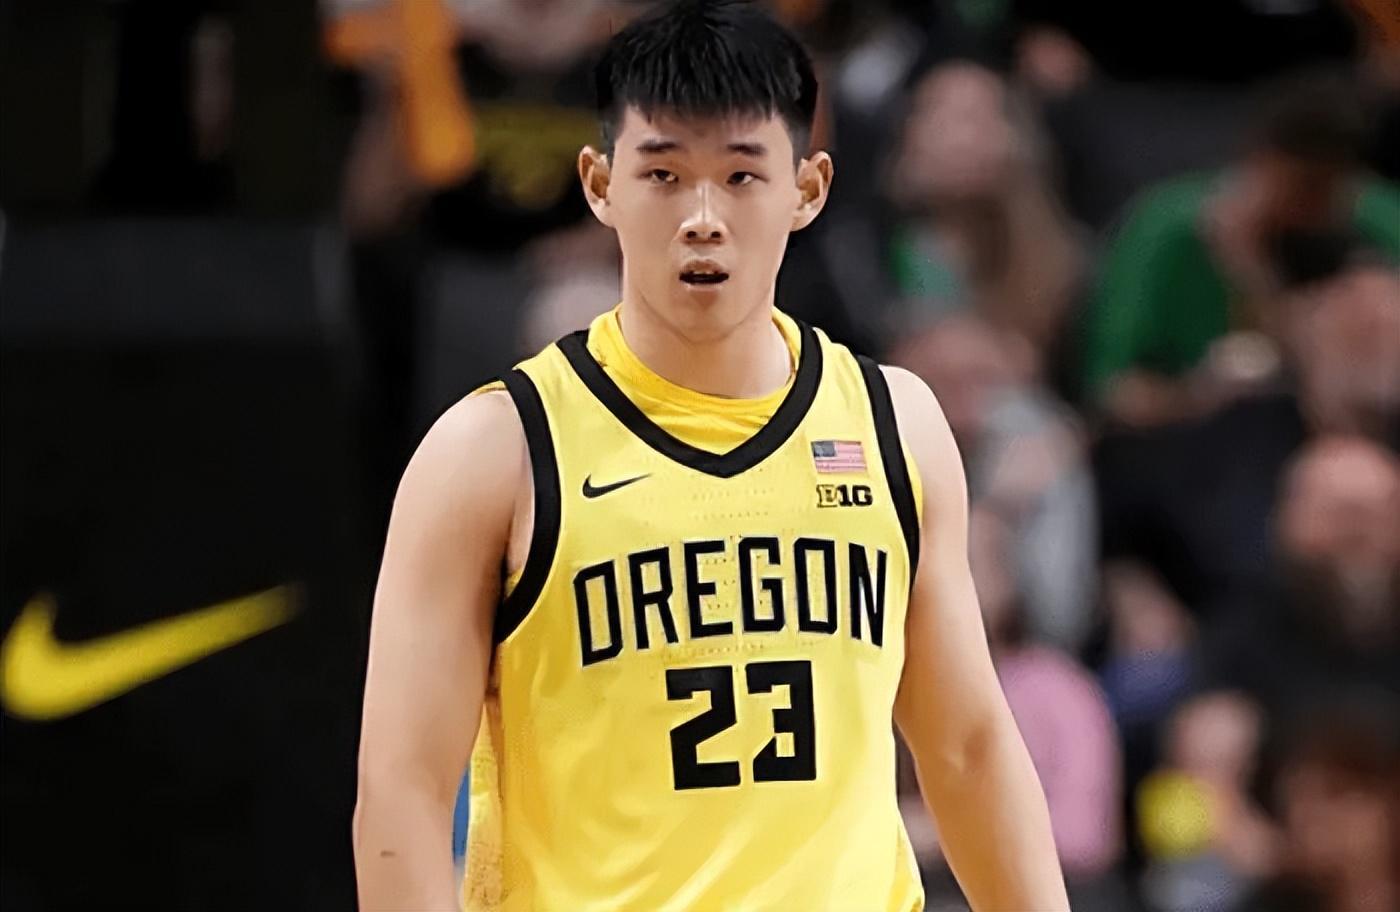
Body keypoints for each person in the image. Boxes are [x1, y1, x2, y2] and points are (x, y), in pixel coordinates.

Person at [352, 2, 1068, 909]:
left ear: (807, 189)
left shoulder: (896, 425)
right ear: (599, 184)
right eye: (663, 175)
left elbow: (966, 747)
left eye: (740, 175)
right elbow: (403, 793)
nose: (702, 217)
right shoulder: (495, 451)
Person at [1080, 70, 1400, 427]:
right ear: (1258, 161)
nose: (1309, 209)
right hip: (1198, 434)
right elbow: (1112, 391)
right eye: (1302, 187)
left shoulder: (1375, 220)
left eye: (1328, 190)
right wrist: (1195, 395)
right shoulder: (1168, 229)